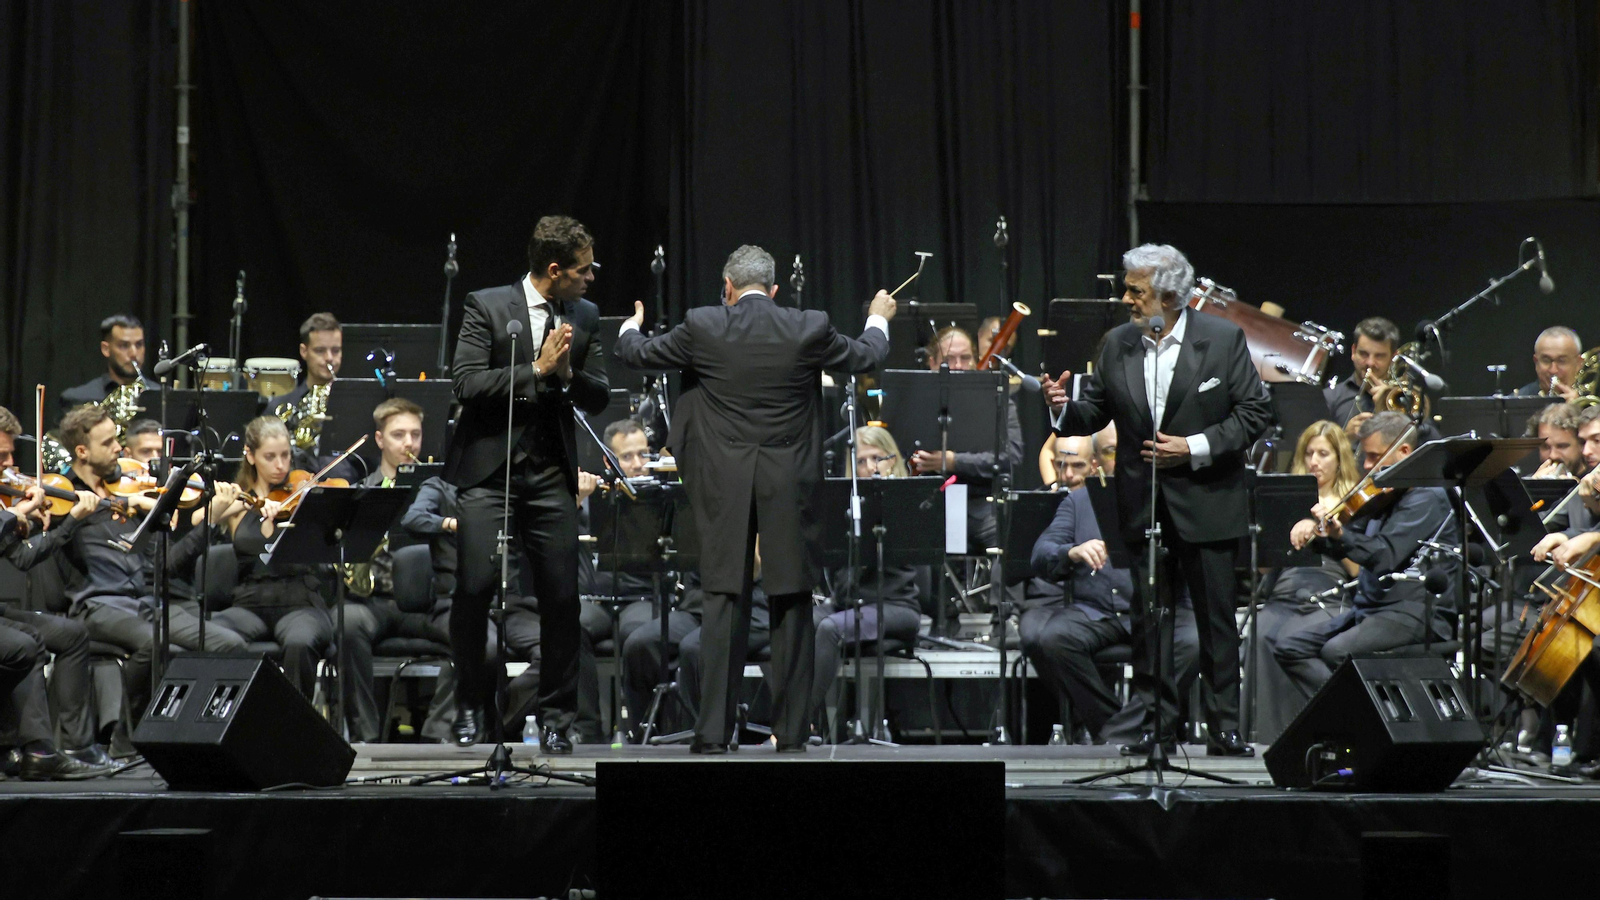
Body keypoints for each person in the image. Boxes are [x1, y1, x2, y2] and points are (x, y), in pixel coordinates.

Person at [615, 243, 894, 753]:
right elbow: (867, 355)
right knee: (792, 598)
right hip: (789, 480)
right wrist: (878, 316)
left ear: (727, 288)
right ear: (774, 289)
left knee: (723, 597)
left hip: (724, 483)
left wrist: (630, 326)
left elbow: (636, 355)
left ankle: (712, 734)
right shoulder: (808, 325)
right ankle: (791, 734)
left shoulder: (703, 324)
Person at [1043, 243, 1272, 757]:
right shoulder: (1118, 343)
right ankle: (1156, 724)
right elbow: (1093, 413)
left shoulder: (1222, 339)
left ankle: (1224, 729)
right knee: (1150, 621)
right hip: (1143, 503)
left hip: (1208, 502)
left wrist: (1192, 447)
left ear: (1169, 296)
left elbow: (1255, 413)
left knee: (1215, 622)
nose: (1125, 299)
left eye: (1135, 291)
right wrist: (1061, 409)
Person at [444, 215, 610, 753]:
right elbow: (466, 382)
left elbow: (600, 395)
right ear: (555, 270)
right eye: (584, 270)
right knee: (474, 587)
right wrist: (536, 370)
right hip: (488, 472)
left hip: (548, 472)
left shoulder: (584, 315)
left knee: (562, 597)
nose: (591, 278)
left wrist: (567, 376)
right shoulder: (488, 306)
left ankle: (557, 718)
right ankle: (471, 703)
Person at [54, 404, 247, 757]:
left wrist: (187, 518)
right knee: (152, 643)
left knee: (230, 645)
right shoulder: (66, 498)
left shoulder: (132, 490)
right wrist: (112, 504)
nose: (118, 448)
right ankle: (127, 739)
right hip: (96, 606)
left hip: (143, 602)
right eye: (108, 442)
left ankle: (206, 738)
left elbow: (164, 566)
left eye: (116, 439)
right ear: (82, 451)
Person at [1026, 434, 1200, 745]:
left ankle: (1116, 733)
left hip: (1160, 610)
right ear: (1096, 463)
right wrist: (1072, 551)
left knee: (1193, 641)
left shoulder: (1171, 496)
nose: (1124, 459)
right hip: (1099, 612)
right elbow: (1040, 553)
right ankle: (1118, 728)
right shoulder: (1079, 501)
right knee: (1053, 638)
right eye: (1112, 451)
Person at [1279, 412, 1459, 696]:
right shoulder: (1385, 496)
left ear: (1404, 451)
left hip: (1414, 612)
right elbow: (1350, 541)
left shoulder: (1427, 498)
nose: (1366, 466)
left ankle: (1360, 719)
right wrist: (1317, 532)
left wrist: (1341, 535)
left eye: (1374, 457)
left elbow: (1384, 555)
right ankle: (1342, 715)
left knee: (1337, 652)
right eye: (1365, 456)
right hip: (1372, 609)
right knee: (1290, 648)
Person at [335, 398, 452, 741]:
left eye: (415, 434)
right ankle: (365, 737)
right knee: (347, 623)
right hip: (377, 600)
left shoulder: (439, 492)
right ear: (380, 439)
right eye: (398, 435)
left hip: (429, 602)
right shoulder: (361, 492)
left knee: (473, 630)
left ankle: (439, 734)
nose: (408, 443)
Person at [1244, 420, 1361, 743]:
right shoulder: (1288, 498)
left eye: (1323, 454)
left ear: (1339, 459)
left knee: (1295, 638)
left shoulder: (1352, 501)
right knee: (1261, 633)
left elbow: (1357, 571)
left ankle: (1304, 736)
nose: (1314, 461)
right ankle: (1267, 737)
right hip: (1284, 592)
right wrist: (1273, 532)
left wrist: (1332, 531)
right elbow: (1265, 570)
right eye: (1309, 453)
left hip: (1328, 594)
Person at [208, 416, 336, 700]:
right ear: (250, 456)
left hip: (300, 601)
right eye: (270, 457)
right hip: (250, 602)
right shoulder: (240, 501)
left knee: (300, 642)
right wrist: (238, 503)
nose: (280, 465)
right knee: (211, 634)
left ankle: (293, 719)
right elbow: (199, 522)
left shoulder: (303, 495)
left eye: (285, 455)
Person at [809, 427, 926, 735]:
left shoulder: (906, 504)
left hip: (896, 607)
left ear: (892, 460)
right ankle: (805, 719)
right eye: (861, 461)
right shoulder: (844, 505)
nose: (870, 467)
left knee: (830, 629)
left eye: (877, 458)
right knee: (797, 621)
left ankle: (801, 722)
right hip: (850, 605)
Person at [908, 326, 1024, 552]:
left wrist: (954, 461)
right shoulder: (914, 404)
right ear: (932, 363)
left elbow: (1012, 456)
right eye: (949, 360)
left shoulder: (998, 402)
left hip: (981, 506)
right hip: (928, 506)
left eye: (965, 358)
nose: (958, 366)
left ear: (975, 360)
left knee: (1012, 542)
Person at [59, 315, 159, 412]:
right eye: (124, 345)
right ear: (106, 349)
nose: (134, 353)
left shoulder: (160, 396)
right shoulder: (78, 398)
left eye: (139, 345)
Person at [1323, 317, 1400, 440]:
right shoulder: (1329, 398)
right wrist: (1345, 437)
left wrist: (1391, 411)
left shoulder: (1404, 400)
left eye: (1379, 356)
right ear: (1353, 352)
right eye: (1364, 354)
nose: (1370, 362)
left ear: (1393, 358)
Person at [1517, 326, 1584, 400]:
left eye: (1561, 361)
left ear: (1579, 363)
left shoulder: (1590, 403)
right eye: (1546, 361)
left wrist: (1577, 406)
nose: (1553, 370)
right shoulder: (1517, 402)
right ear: (1536, 362)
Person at [1529, 402, 1585, 479]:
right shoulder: (1534, 478)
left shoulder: (1596, 481)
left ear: (1582, 444)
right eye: (1545, 447)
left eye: (1562, 446)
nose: (1553, 455)